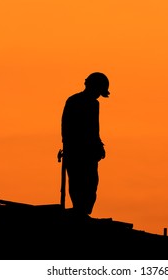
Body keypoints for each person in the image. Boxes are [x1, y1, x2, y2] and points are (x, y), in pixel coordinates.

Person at [61, 72, 110, 216]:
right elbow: (67, 129)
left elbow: (94, 128)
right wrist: (71, 148)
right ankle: (79, 212)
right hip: (76, 152)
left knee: (91, 184)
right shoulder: (74, 101)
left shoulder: (94, 104)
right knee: (77, 183)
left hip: (89, 153)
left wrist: (98, 145)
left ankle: (83, 213)